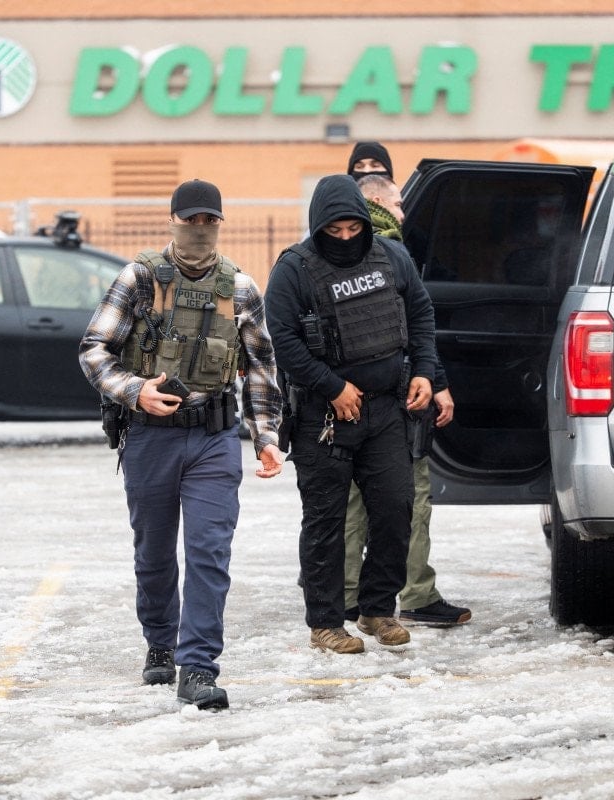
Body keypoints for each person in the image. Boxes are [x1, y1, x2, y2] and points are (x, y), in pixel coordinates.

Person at [79, 178, 284, 710]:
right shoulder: (139, 279)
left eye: (208, 220)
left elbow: (261, 368)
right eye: (189, 220)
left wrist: (266, 437)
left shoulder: (240, 288)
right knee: (153, 552)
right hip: (150, 437)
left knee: (209, 552)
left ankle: (198, 667)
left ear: (219, 223)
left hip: (214, 438)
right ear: (172, 221)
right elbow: (95, 348)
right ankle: (160, 643)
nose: (199, 229)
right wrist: (135, 390)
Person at [264, 173, 436, 654]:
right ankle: (324, 623)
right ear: (319, 226)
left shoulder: (392, 256)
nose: (344, 238)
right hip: (323, 417)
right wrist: (333, 386)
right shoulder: (294, 269)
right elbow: (284, 342)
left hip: (386, 408)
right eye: (334, 231)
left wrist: (425, 371)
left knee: (396, 507)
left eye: (352, 229)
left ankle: (377, 610)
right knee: (326, 521)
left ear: (364, 222)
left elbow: (421, 314)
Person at [344, 174, 471, 627]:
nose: (402, 212)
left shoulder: (330, 253)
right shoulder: (390, 249)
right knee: (411, 497)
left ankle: (347, 593)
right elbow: (416, 326)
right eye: (398, 204)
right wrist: (435, 379)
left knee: (353, 501)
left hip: (349, 396)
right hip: (398, 395)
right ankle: (416, 593)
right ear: (376, 201)